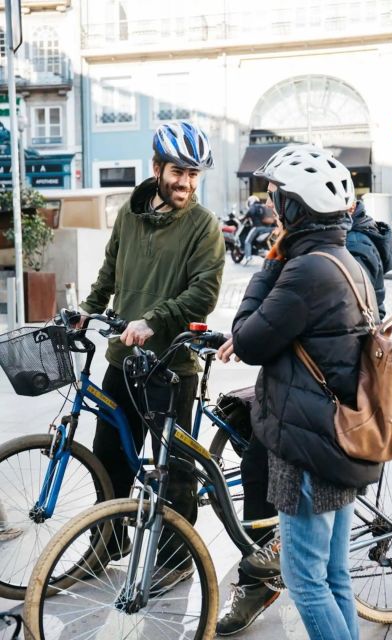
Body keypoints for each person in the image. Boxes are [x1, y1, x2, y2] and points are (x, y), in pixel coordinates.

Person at [217, 144, 383, 639]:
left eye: (275, 198)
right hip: (337, 440)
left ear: (295, 207)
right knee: (333, 576)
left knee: (304, 580)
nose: (270, 206)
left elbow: (248, 339)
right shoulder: (343, 260)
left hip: (310, 448)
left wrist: (271, 259)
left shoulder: (306, 270)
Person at [79, 120, 225, 592]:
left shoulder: (203, 227)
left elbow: (203, 293)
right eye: (178, 171)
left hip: (172, 367)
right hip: (123, 360)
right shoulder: (129, 214)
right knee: (110, 459)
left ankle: (177, 555)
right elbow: (109, 271)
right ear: (157, 168)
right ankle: (109, 540)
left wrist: (154, 319)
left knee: (175, 471)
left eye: (194, 174)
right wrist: (87, 310)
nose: (185, 183)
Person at [243, 194, 276, 263]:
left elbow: (248, 214)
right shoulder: (263, 206)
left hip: (256, 228)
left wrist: (244, 218)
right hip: (266, 228)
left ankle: (248, 257)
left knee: (247, 241)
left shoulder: (253, 207)